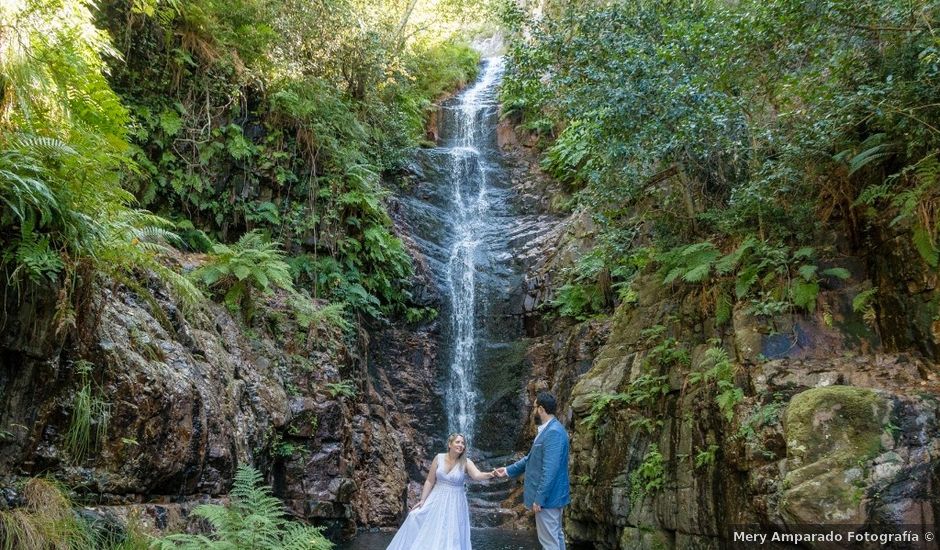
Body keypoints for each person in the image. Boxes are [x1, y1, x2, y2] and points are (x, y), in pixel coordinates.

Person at [386, 433, 495, 550]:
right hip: (436, 497)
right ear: (450, 444)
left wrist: (491, 474)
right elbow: (429, 481)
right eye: (458, 442)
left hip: (456, 502)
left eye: (463, 443)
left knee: (452, 532)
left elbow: (477, 475)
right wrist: (422, 500)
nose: (461, 445)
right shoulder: (439, 458)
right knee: (415, 516)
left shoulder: (466, 462)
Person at [495, 392, 570, 550]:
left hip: (549, 499)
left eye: (534, 407)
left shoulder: (553, 433)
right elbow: (530, 459)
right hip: (552, 497)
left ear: (541, 409)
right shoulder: (547, 430)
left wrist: (540, 498)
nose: (532, 411)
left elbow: (550, 469)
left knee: (550, 543)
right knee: (556, 537)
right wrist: (508, 470)